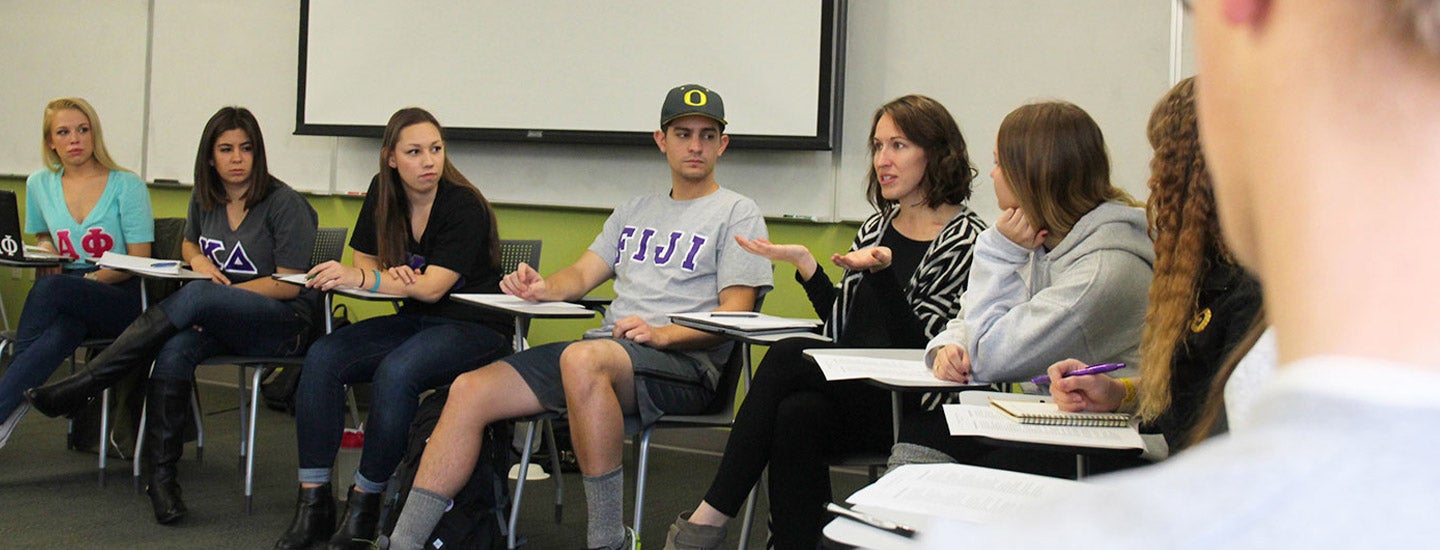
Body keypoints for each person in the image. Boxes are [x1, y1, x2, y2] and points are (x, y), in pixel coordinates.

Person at [920, 0, 1440, 546]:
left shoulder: (1159, 277)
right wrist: (1122, 390)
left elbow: (990, 352)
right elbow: (970, 330)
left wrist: (997, 256)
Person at [385, 83, 773, 550]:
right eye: (684, 133)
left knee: (584, 360)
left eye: (707, 135)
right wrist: (542, 287)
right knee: (469, 390)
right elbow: (583, 273)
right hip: (608, 354)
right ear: (661, 140)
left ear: (722, 145)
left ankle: (609, 540)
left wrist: (664, 334)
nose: (695, 146)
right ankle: (404, 541)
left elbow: (737, 311)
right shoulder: (635, 208)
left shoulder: (737, 212)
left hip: (686, 365)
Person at [665, 95, 987, 550]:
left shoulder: (966, 239)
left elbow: (924, 354)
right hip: (859, 396)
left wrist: (882, 275)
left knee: (788, 353)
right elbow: (844, 331)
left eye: (898, 146)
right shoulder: (876, 227)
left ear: (935, 153)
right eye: (877, 147)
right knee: (796, 413)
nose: (882, 160)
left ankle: (709, 518)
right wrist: (807, 267)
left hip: (914, 409)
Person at [26, 106, 319, 525]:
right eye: (226, 149)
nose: (237, 158)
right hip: (221, 321)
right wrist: (199, 260)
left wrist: (220, 297)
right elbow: (187, 244)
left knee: (198, 298)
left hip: (283, 325)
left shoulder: (284, 203)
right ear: (210, 157)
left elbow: (290, 284)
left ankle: (85, 384)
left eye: (246, 148)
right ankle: (161, 481)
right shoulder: (206, 198)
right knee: (175, 349)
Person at [273, 108, 514, 550]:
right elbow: (367, 259)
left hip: (478, 328)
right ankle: (314, 503)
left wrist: (370, 278)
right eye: (415, 152)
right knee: (324, 356)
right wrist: (384, 274)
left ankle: (366, 502)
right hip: (420, 321)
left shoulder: (463, 204)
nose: (429, 161)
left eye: (436, 150)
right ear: (390, 158)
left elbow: (431, 287)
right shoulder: (383, 194)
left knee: (398, 371)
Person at [890, 101, 1154, 470]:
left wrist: (996, 252)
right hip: (1052, 420)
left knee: (955, 465)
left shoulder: (1102, 271)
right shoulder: (1042, 236)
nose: (992, 175)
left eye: (999, 162)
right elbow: (967, 321)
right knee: (923, 435)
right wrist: (948, 346)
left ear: (1032, 173)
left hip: (1107, 439)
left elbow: (989, 358)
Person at [1046, 76, 1264, 454]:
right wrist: (1117, 392)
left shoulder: (1252, 287)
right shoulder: (1208, 268)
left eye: (1161, 156)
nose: (1153, 173)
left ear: (1188, 173)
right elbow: (1187, 391)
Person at [0, 97, 154, 450]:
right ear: (50, 141)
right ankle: (7, 413)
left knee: (52, 288)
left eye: (83, 130)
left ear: (94, 134)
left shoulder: (126, 185)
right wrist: (49, 249)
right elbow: (42, 237)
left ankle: (6, 404)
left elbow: (140, 258)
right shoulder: (40, 184)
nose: (75, 139)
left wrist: (86, 280)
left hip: (119, 295)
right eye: (64, 132)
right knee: (63, 331)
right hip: (67, 299)